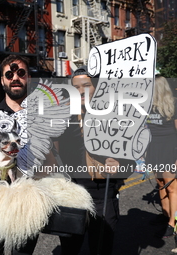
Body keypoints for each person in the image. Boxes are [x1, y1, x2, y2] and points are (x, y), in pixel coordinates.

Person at [58, 66, 135, 255]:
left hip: (102, 195)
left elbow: (132, 156)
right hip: (71, 194)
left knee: (100, 248)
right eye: (75, 87)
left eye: (86, 85)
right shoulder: (63, 117)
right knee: (69, 249)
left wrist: (120, 165)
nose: (80, 90)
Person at [0, 55, 39, 255]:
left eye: (21, 73)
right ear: (2, 80)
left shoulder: (43, 115)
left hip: (27, 208)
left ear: (28, 77)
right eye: (9, 74)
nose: (15, 78)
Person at [145, 75, 177, 238]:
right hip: (153, 148)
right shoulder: (147, 105)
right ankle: (165, 215)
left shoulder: (173, 104)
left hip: (169, 149)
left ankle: (173, 222)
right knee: (160, 183)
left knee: (171, 187)